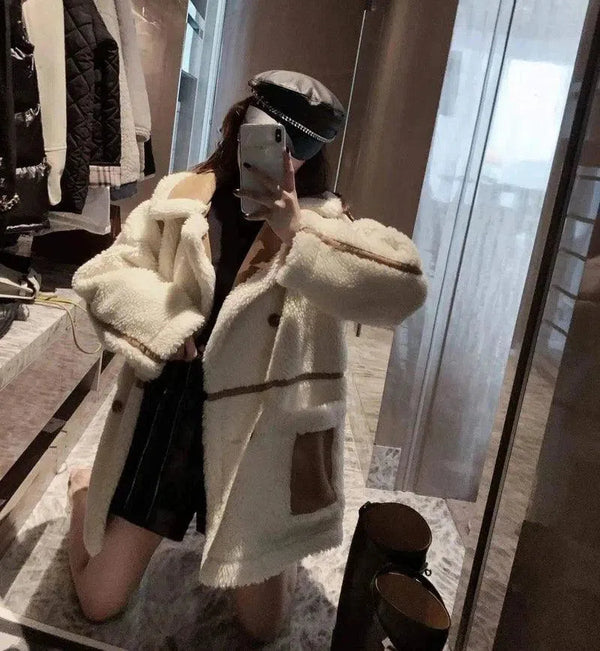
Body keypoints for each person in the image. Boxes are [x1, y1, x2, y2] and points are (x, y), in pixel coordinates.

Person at [68, 70, 428, 642]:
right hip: (174, 411)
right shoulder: (181, 195)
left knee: (264, 629)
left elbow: (404, 290)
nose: (283, 158)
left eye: (298, 147)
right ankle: (85, 491)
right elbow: (106, 271)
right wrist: (163, 325)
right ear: (241, 124)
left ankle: (247, 541)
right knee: (98, 602)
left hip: (262, 438)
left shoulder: (325, 221)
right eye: (269, 136)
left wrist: (297, 232)